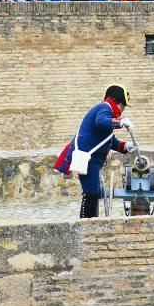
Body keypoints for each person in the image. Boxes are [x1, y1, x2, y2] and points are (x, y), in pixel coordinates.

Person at [53, 85, 136, 218]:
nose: (123, 109)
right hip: (88, 157)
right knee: (91, 192)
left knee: (93, 192)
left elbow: (109, 140)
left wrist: (126, 146)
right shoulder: (104, 108)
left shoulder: (106, 111)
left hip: (92, 158)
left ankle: (90, 222)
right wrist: (120, 123)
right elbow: (101, 122)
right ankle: (87, 224)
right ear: (118, 102)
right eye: (123, 106)